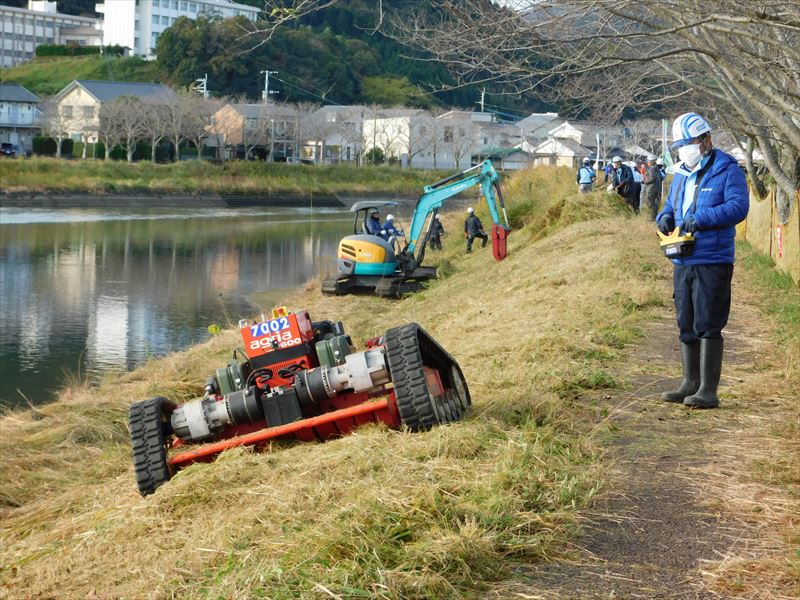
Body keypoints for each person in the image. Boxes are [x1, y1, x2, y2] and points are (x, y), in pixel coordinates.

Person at [656, 112, 749, 409]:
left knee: (708, 321)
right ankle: (689, 383)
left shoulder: (727, 170)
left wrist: (702, 219)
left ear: (706, 140)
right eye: (681, 145)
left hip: (713, 256)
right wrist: (665, 217)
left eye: (690, 143)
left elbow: (738, 206)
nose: (685, 149)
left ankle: (708, 389)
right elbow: (671, 204)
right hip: (682, 257)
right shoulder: (682, 172)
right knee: (686, 319)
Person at [641, 155, 663, 220]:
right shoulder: (657, 169)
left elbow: (651, 178)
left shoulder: (652, 169)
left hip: (651, 189)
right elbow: (661, 178)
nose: (647, 163)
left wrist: (644, 181)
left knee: (650, 203)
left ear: (651, 162)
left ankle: (653, 217)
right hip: (658, 188)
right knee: (656, 203)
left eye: (648, 161)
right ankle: (656, 216)